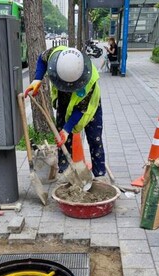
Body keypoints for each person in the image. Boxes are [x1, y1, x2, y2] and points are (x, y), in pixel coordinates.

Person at [24, 46, 106, 179]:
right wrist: (37, 79)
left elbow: (80, 110)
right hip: (64, 101)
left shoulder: (89, 83)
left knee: (95, 139)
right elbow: (41, 58)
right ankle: (65, 172)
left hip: (89, 105)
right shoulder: (55, 55)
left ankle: (100, 174)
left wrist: (68, 130)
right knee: (61, 138)